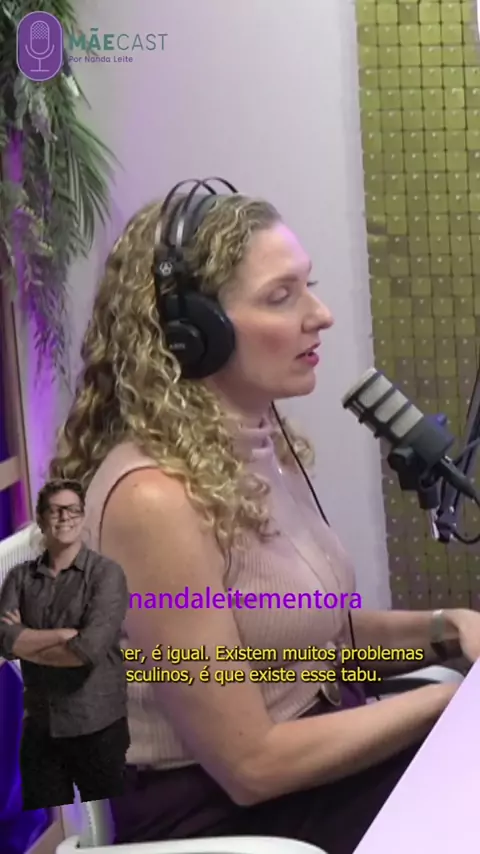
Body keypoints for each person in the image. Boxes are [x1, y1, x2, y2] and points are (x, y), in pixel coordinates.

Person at [48, 180, 480, 853]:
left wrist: (445, 631)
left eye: (309, 286)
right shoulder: (153, 500)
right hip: (228, 816)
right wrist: (451, 702)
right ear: (194, 334)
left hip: (320, 766)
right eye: (282, 296)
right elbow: (251, 765)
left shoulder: (255, 445)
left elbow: (311, 641)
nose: (320, 314)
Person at [0, 479, 130, 810]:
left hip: (97, 725)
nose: (64, 517)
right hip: (40, 727)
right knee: (46, 813)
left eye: (72, 510)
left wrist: (25, 637)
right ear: (41, 518)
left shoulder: (106, 575)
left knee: (112, 827)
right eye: (55, 510)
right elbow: (4, 640)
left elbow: (87, 650)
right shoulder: (19, 578)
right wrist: (60, 636)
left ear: (82, 516)